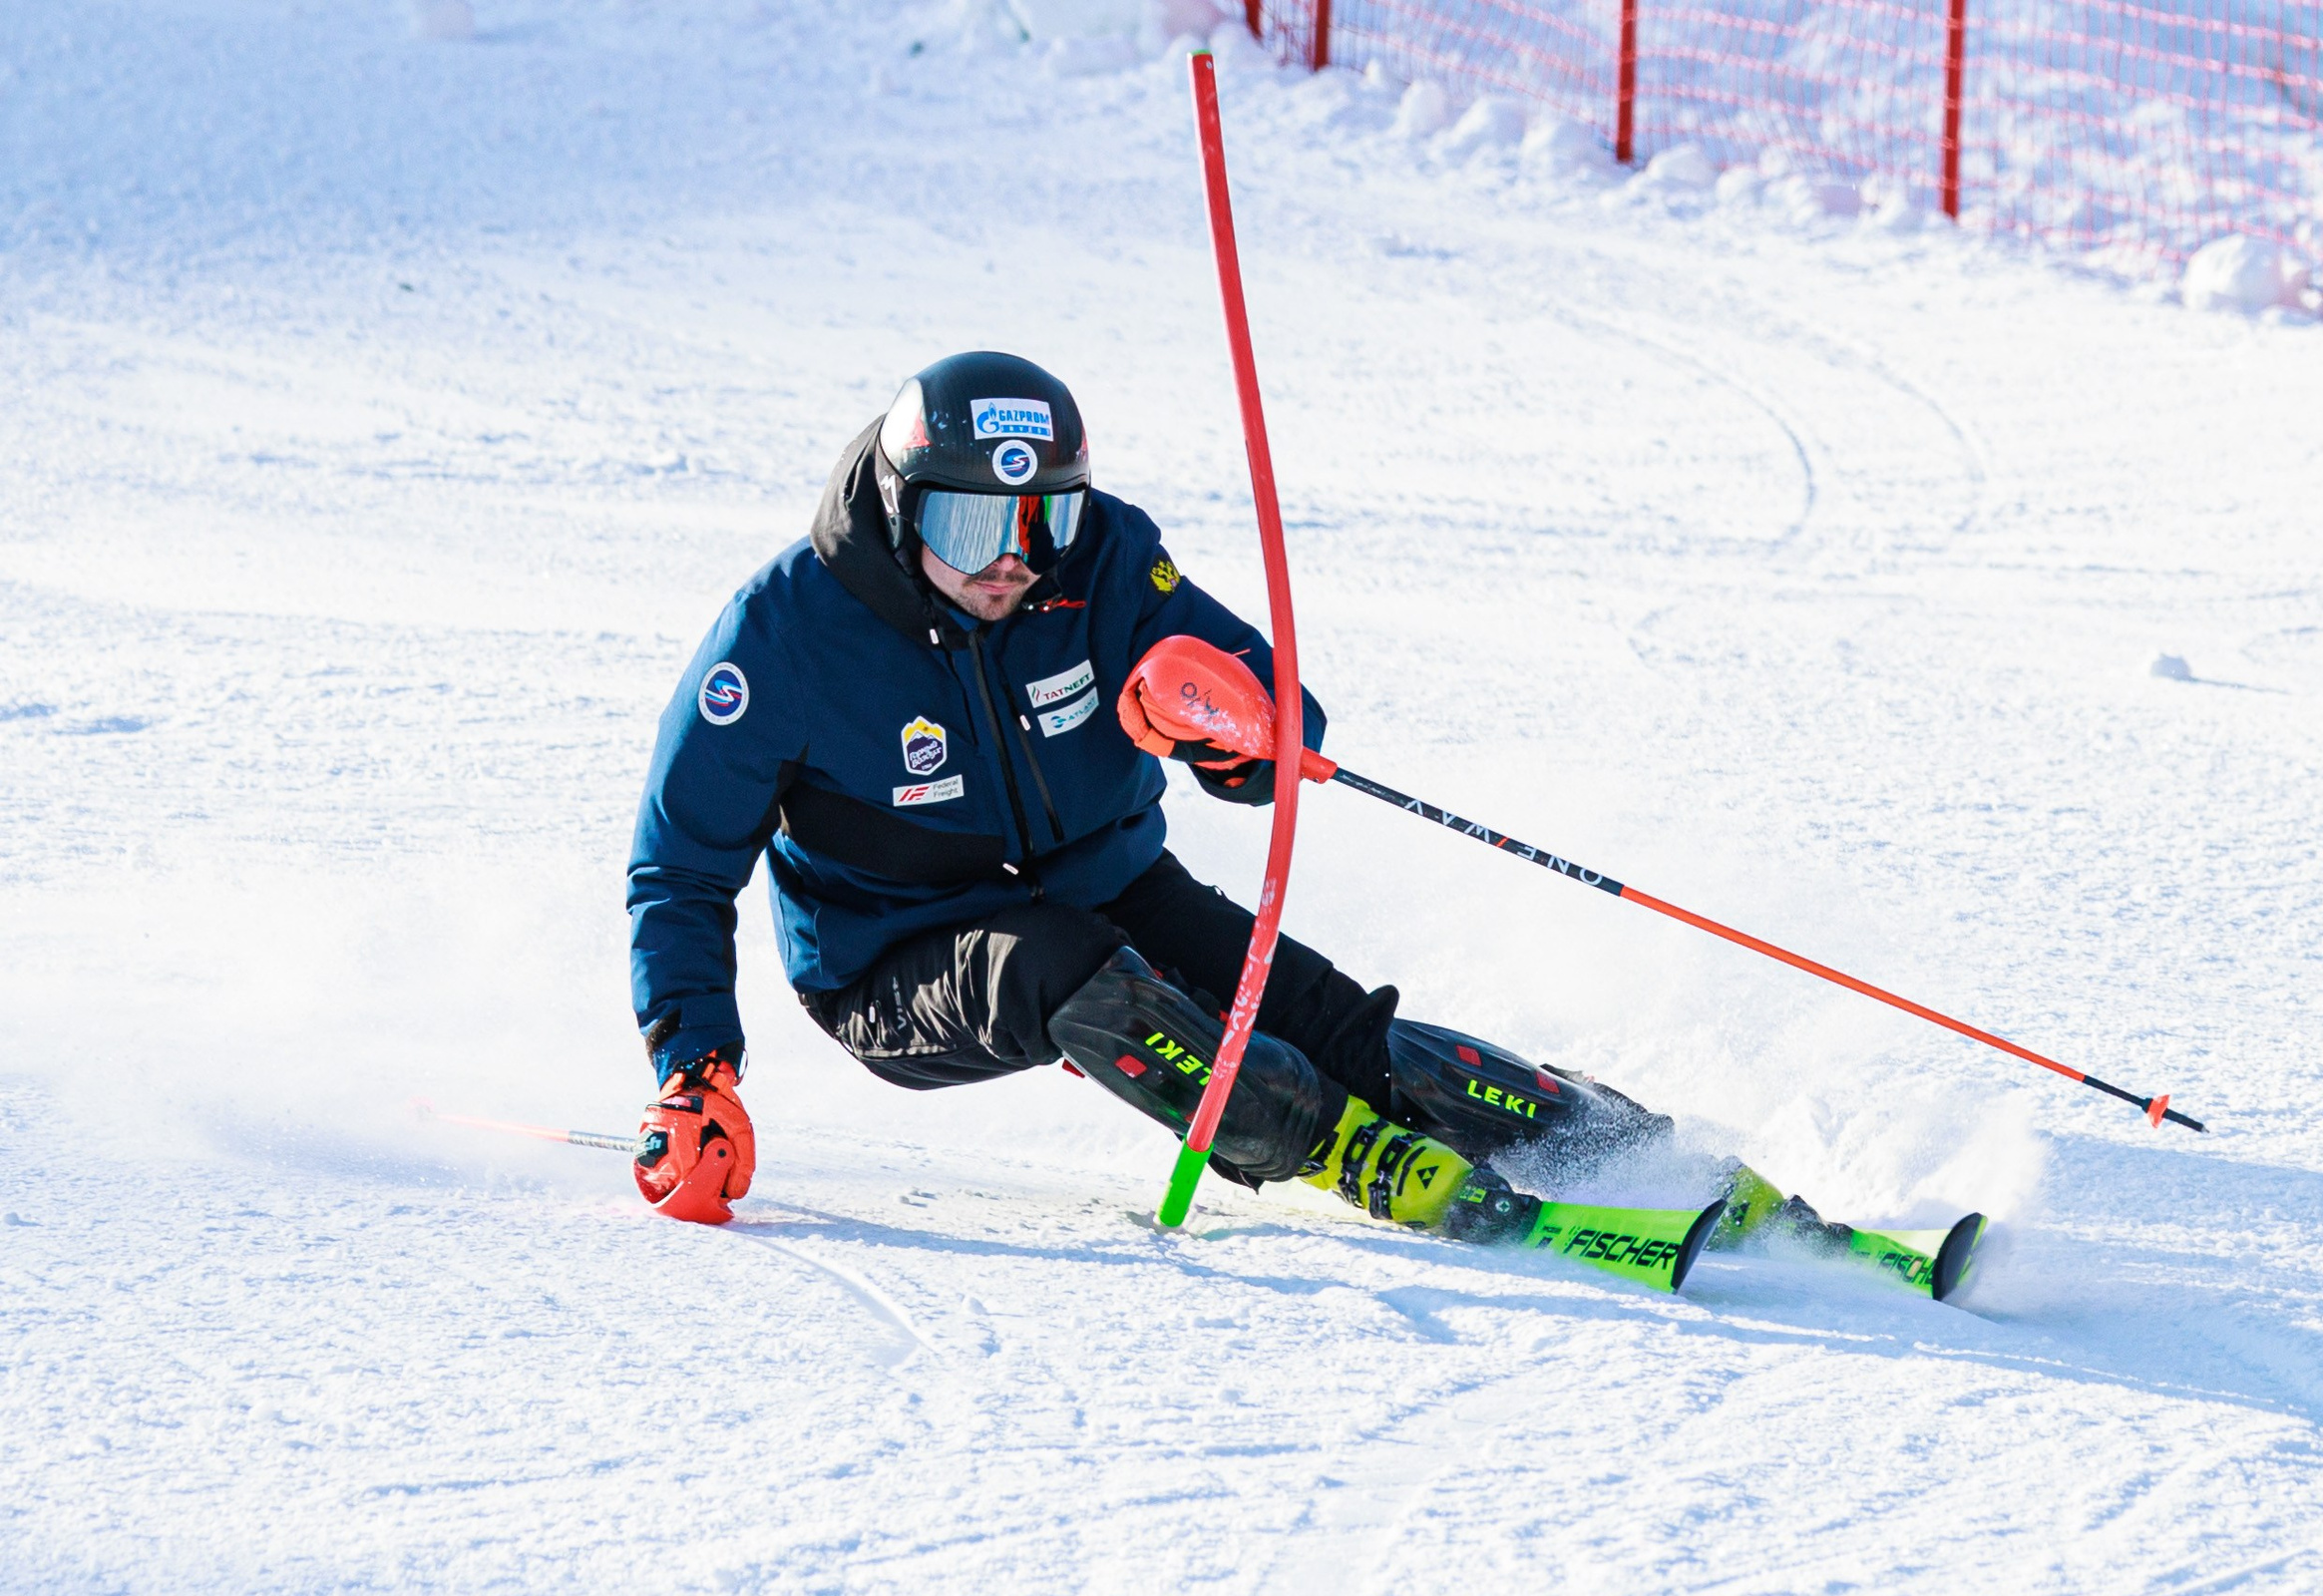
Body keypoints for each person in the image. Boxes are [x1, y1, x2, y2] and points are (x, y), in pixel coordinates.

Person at [623, 350, 1835, 1251]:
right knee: (1063, 963)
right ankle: (1346, 1153)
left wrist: (1244, 735)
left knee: (1333, 1017)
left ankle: (1631, 1148)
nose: (1010, 556)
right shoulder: (781, 638)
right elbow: (680, 865)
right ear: (900, 505)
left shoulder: (1096, 560)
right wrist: (695, 1070)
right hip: (891, 960)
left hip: (1107, 876)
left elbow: (1271, 702)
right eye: (971, 519)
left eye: (1041, 516)